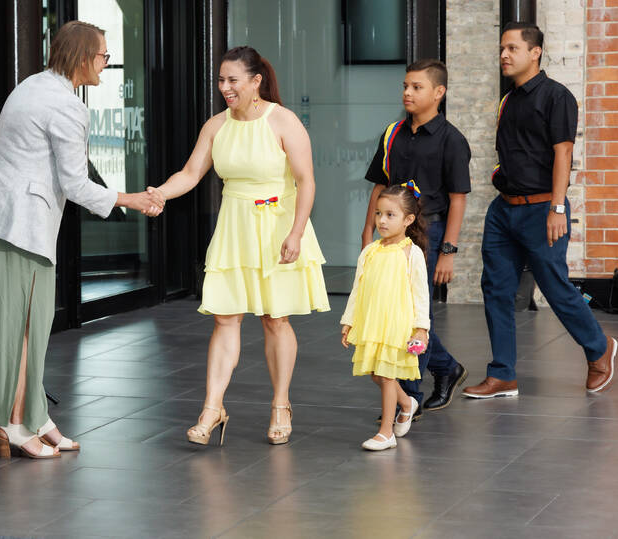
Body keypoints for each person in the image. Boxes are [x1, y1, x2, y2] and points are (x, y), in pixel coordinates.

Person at [0, 20, 162, 459]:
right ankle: (14, 425)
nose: (106, 63)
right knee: (24, 328)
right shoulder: (68, 106)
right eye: (103, 55)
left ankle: (35, 416)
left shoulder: (32, 85)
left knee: (27, 325)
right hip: (19, 228)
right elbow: (76, 183)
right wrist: (135, 200)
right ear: (84, 57)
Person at [147, 46, 329, 447]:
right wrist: (158, 194)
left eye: (233, 80)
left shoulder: (283, 120)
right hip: (234, 226)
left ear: (255, 81)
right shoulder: (216, 125)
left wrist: (297, 232)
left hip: (278, 225)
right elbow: (192, 173)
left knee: (274, 318)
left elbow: (306, 180)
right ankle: (212, 408)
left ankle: (281, 404)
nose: (224, 87)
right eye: (221, 80)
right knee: (225, 318)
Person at [463, 22, 617, 398]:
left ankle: (598, 348)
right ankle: (502, 374)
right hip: (503, 211)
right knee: (496, 289)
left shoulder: (556, 96)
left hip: (541, 209)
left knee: (554, 286)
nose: (504, 55)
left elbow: (563, 153)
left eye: (512, 48)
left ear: (535, 53)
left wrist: (558, 207)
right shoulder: (508, 99)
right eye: (502, 48)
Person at [361, 59, 469, 417]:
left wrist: (448, 251)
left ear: (439, 92)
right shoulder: (392, 133)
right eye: (405, 86)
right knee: (395, 310)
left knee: (417, 312)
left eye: (416, 87)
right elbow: (380, 185)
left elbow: (457, 198)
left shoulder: (452, 140)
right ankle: (445, 368)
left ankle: (408, 399)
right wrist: (368, 230)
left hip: (431, 231)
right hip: (392, 231)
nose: (407, 92)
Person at [341, 184, 430, 451]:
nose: (381, 220)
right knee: (376, 375)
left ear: (408, 220)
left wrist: (420, 328)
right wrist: (349, 320)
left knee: (387, 375)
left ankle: (386, 432)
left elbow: (421, 294)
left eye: (390, 215)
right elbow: (358, 288)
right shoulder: (369, 251)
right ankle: (407, 403)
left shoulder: (411, 253)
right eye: (379, 213)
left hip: (396, 325)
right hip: (372, 322)